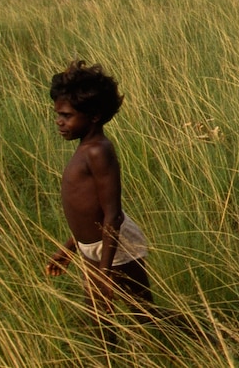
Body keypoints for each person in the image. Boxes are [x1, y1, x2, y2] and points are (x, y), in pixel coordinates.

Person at [45, 60, 152, 346]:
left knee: (144, 312)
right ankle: (109, 358)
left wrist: (105, 273)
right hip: (95, 247)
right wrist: (69, 248)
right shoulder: (85, 149)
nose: (59, 122)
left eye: (67, 116)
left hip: (117, 247)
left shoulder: (98, 151)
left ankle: (206, 339)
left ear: (93, 116)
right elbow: (88, 213)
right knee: (97, 313)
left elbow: (112, 215)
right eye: (58, 114)